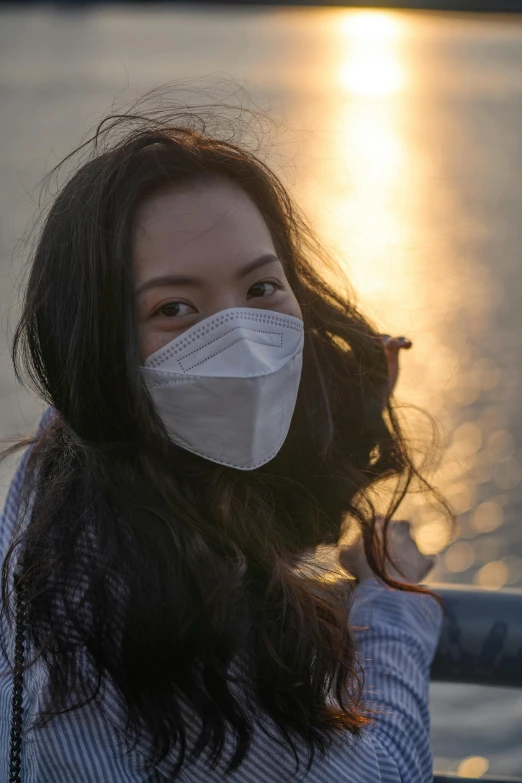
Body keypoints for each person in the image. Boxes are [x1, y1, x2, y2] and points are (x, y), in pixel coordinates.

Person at [0, 94, 451, 782]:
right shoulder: (173, 615)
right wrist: (398, 603)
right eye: (174, 308)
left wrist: (328, 440)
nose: (240, 342)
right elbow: (382, 771)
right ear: (97, 346)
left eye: (263, 287)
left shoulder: (59, 472)